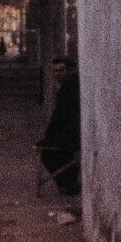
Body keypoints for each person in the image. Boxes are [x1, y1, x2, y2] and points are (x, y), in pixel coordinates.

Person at [38, 55, 82, 199]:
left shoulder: (70, 87)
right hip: (72, 132)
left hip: (74, 133)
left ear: (70, 70)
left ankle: (67, 184)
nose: (58, 74)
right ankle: (70, 183)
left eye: (61, 70)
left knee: (44, 150)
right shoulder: (70, 84)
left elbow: (60, 116)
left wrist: (51, 136)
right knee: (59, 150)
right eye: (56, 71)